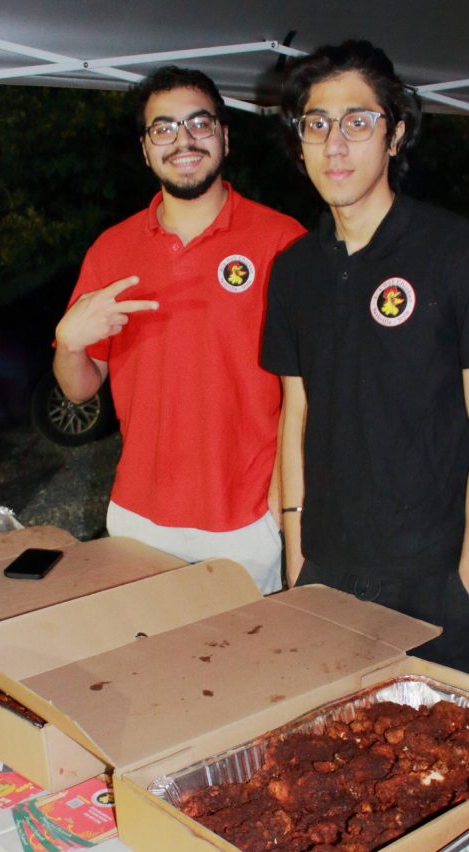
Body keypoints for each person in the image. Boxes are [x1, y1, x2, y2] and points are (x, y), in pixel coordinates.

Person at [262, 40, 469, 676]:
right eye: (317, 125)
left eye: (359, 121)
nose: (336, 144)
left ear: (396, 134)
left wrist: (467, 582)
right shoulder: (294, 269)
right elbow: (294, 417)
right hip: (326, 570)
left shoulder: (462, 254)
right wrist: (297, 557)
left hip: (431, 576)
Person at [54, 66, 304, 594]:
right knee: (142, 670)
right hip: (138, 518)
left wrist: (279, 509)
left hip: (245, 521)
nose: (183, 140)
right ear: (146, 149)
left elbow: (309, 394)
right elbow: (80, 387)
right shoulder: (112, 250)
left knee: (245, 671)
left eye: (199, 123)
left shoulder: (282, 242)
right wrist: (71, 343)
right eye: (163, 128)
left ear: (225, 136)